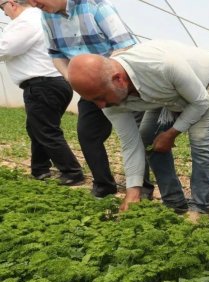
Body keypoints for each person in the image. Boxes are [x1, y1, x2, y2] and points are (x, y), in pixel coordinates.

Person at [66, 40, 209, 213]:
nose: (100, 105)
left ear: (118, 80)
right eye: (93, 100)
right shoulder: (105, 99)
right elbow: (130, 143)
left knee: (200, 138)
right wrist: (133, 192)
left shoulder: (162, 65)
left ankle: (200, 207)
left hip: (208, 81)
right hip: (167, 93)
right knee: (147, 139)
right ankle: (175, 203)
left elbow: (200, 102)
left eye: (100, 97)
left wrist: (171, 134)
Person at [27, 0, 153, 198]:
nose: (33, 4)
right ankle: (104, 185)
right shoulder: (47, 16)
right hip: (90, 88)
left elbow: (126, 47)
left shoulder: (96, 7)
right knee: (87, 134)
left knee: (135, 136)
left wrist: (103, 76)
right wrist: (72, 78)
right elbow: (56, 53)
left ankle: (142, 189)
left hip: (118, 82)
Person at [0, 0, 83, 185]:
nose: (4, 13)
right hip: (50, 83)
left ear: (12, 4)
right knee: (37, 127)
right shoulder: (39, 18)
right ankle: (40, 170)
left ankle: (72, 172)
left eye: (2, 7)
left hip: (43, 84)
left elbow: (6, 47)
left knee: (45, 129)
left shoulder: (27, 20)